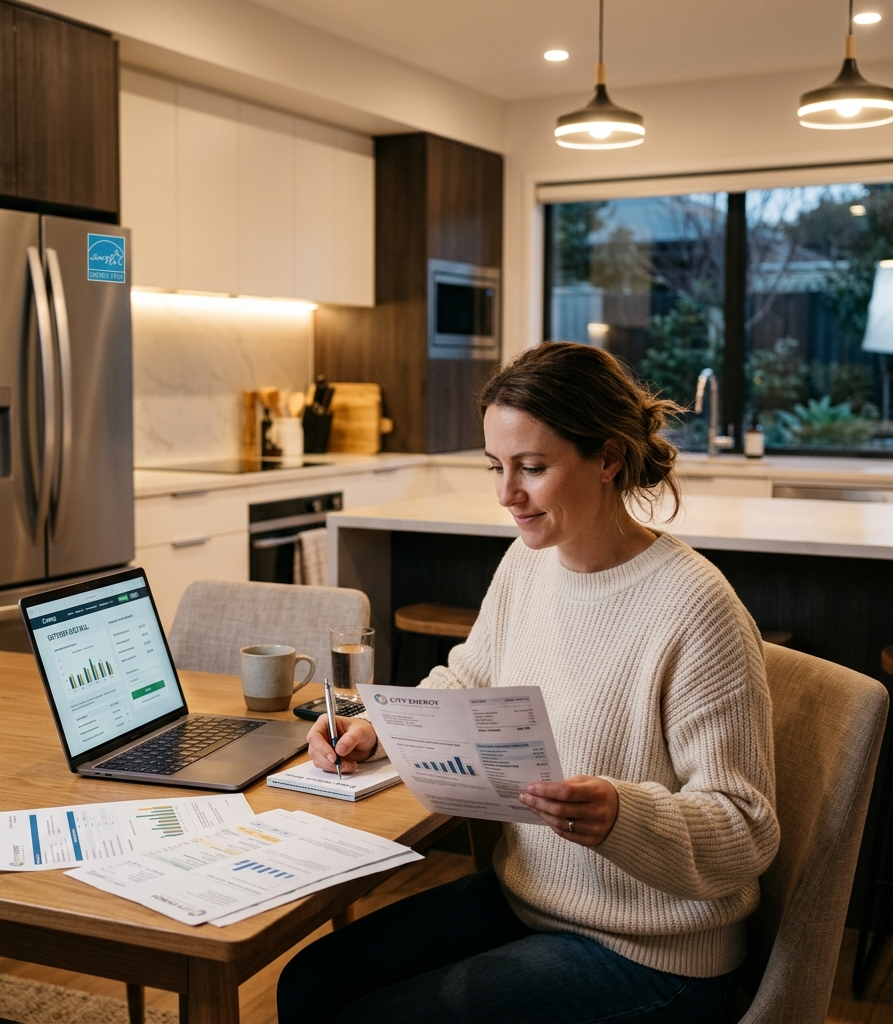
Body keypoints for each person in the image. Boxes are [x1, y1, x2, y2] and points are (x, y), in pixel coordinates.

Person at [277, 342, 779, 1024]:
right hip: (531, 898)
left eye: (533, 468)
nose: (507, 494)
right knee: (309, 982)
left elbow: (745, 829)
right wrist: (381, 729)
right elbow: (471, 677)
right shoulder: (528, 563)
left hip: (654, 954)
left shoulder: (696, 609)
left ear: (608, 459)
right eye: (497, 467)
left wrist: (622, 815)